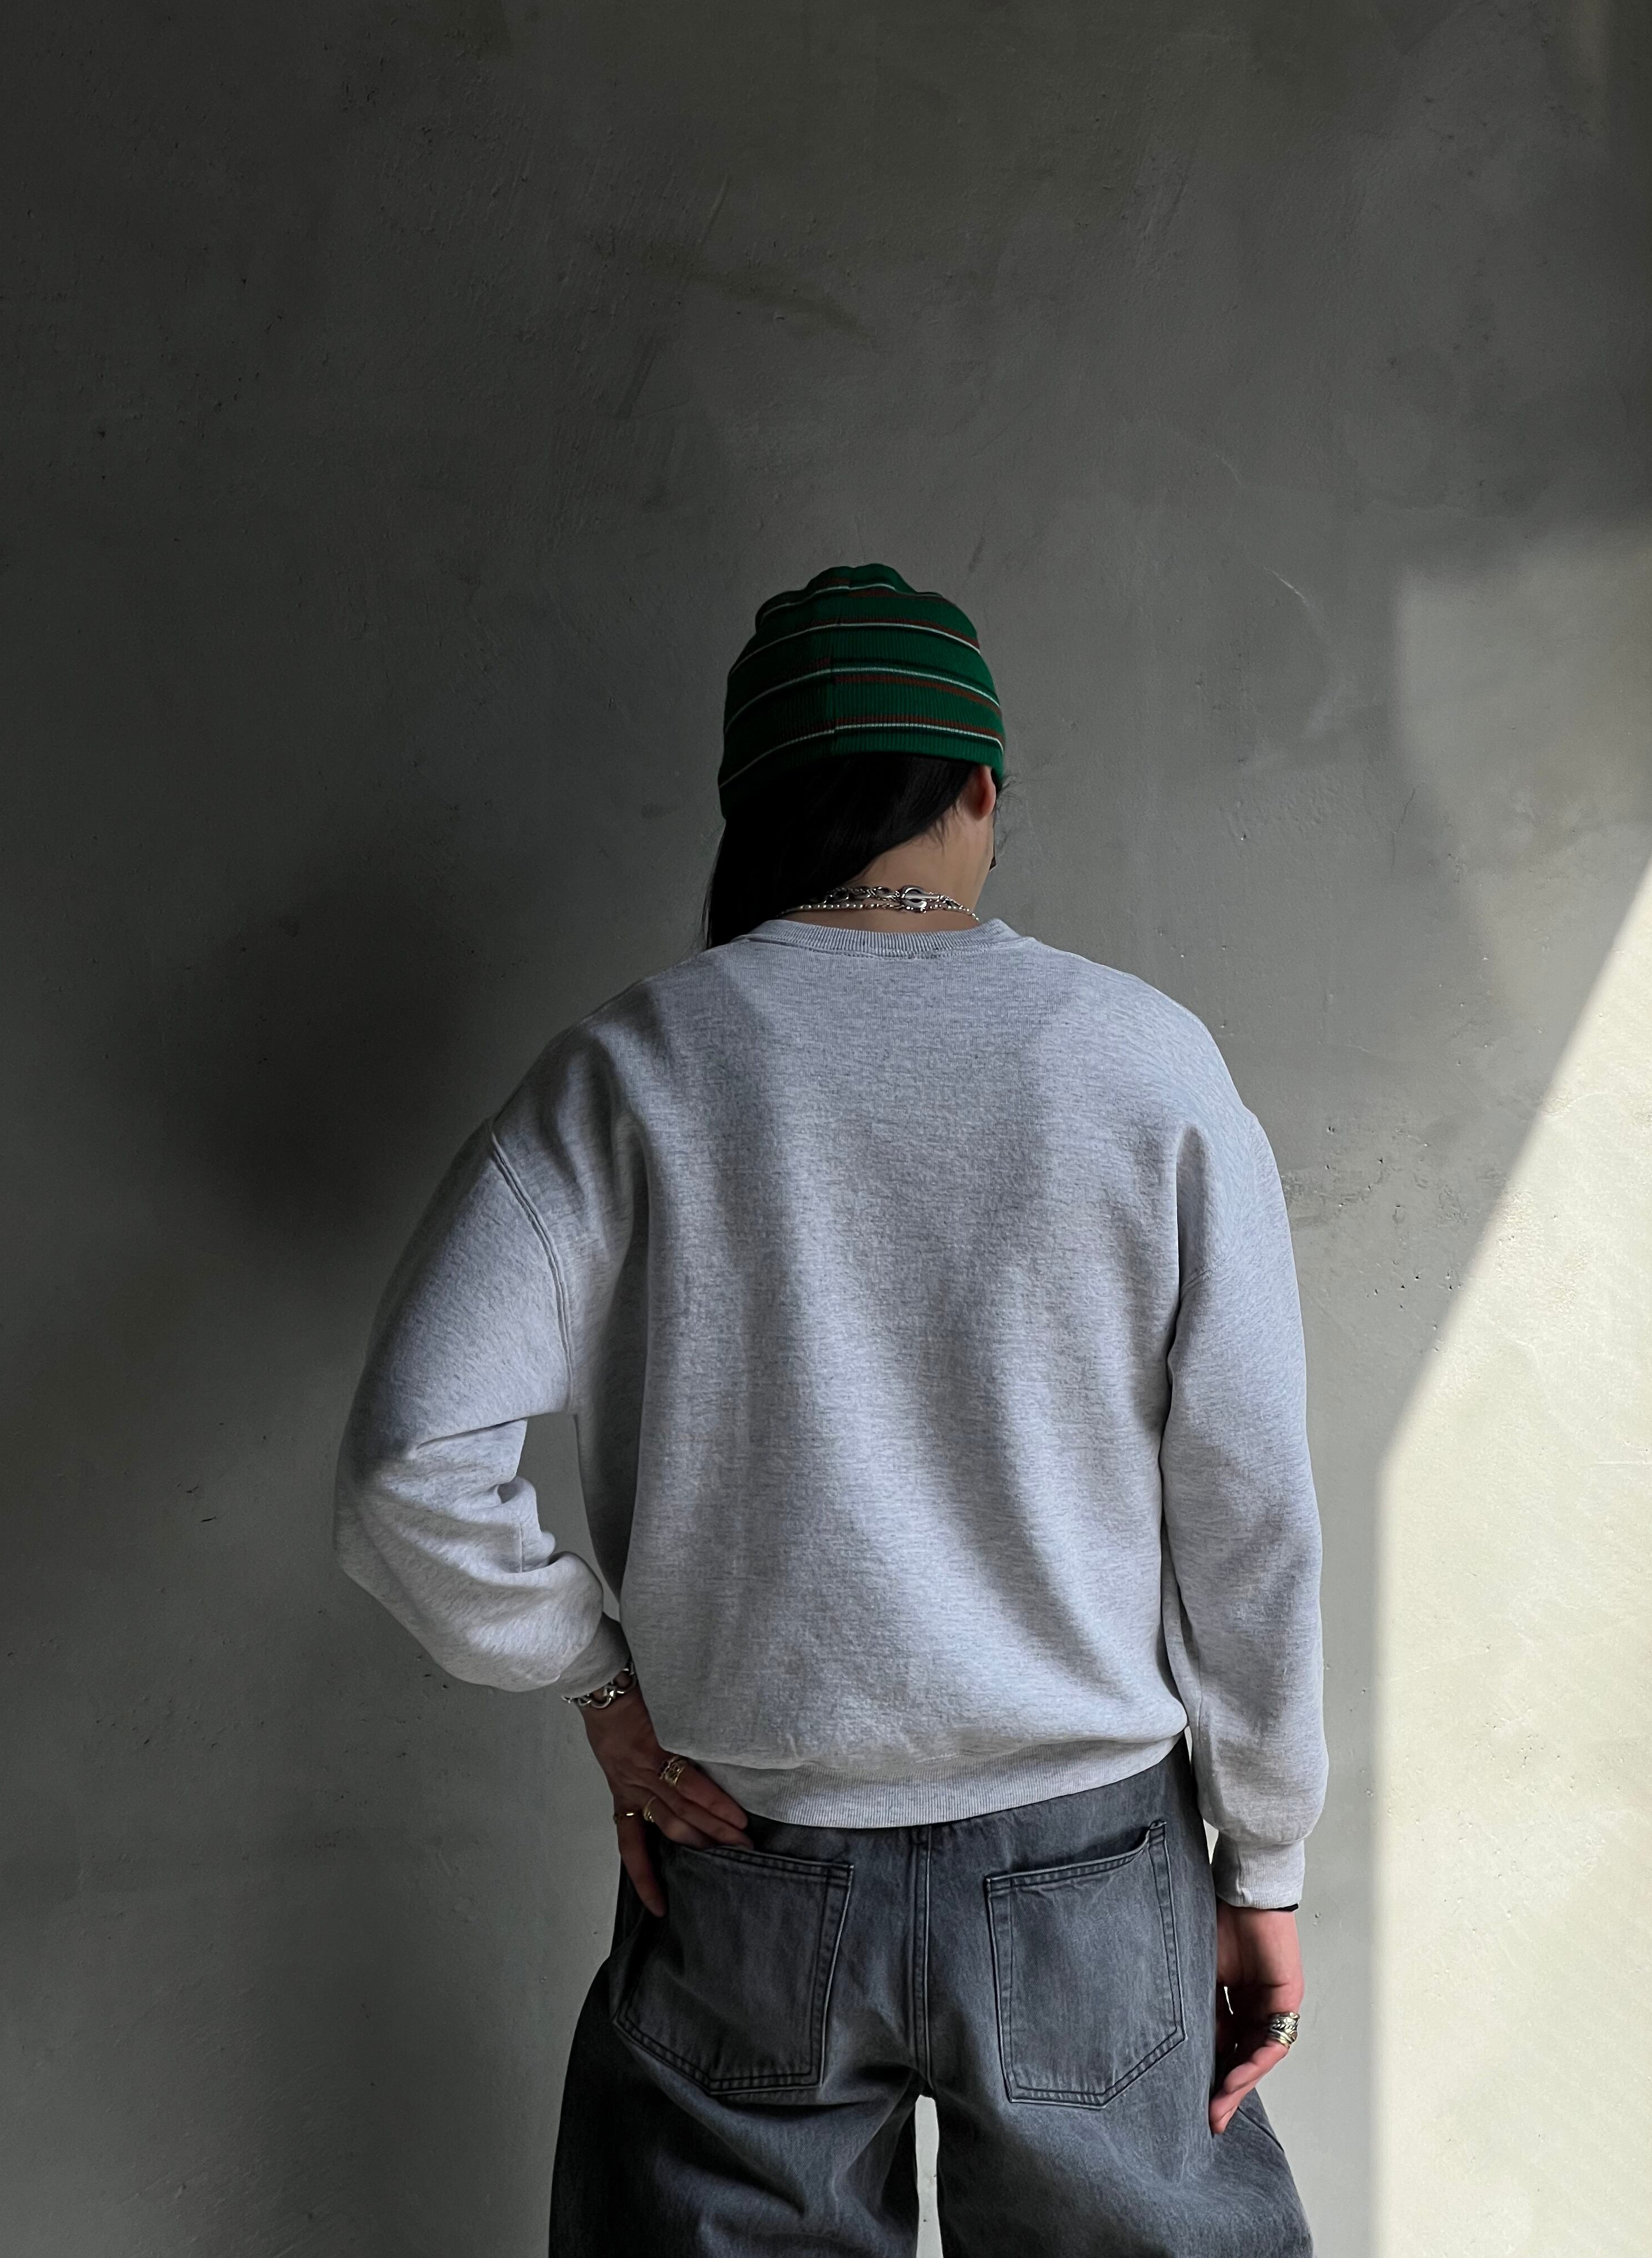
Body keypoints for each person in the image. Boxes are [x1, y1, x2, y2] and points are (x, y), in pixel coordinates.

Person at [334, 563, 1327, 2256]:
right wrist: (1265, 1862)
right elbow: (1249, 1512)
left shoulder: (631, 1071)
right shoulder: (1143, 1062)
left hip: (748, 1860)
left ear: (759, 813)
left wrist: (600, 1684)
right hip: (1089, 1868)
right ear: (980, 790)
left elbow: (405, 1462)